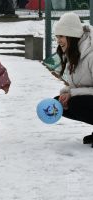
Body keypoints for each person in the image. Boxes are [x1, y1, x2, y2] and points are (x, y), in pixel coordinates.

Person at [53, 12, 93, 147]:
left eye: (61, 36)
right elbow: (80, 84)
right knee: (56, 105)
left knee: (77, 103)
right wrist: (66, 92)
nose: (58, 40)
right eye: (57, 37)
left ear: (72, 36)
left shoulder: (91, 55)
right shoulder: (73, 53)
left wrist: (72, 94)